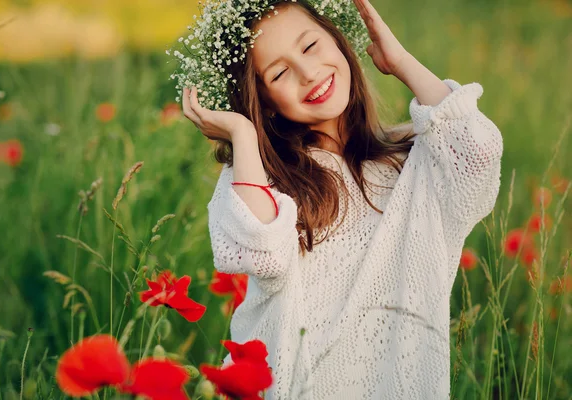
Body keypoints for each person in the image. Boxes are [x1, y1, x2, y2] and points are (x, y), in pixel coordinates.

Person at [179, 0, 503, 398]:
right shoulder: (270, 180)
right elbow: (259, 250)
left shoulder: (411, 163)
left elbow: (477, 154)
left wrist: (400, 61)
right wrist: (243, 134)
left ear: (337, 39)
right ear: (263, 100)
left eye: (311, 46)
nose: (309, 73)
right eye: (280, 73)